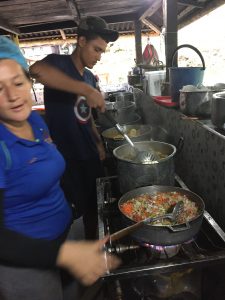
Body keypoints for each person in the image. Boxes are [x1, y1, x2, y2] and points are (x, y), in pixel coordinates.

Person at [0, 36, 120, 300]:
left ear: (27, 83)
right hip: (27, 261)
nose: (11, 95)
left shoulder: (33, 120)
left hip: (60, 239)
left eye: (17, 83)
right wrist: (66, 254)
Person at [30, 16, 119, 239]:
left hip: (88, 153)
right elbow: (36, 71)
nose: (98, 57)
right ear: (81, 41)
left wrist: (98, 143)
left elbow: (85, 115)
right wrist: (86, 90)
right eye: (96, 49)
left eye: (102, 52)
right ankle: (60, 263)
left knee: (94, 209)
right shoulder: (58, 64)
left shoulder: (90, 77)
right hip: (65, 157)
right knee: (65, 213)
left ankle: (92, 250)